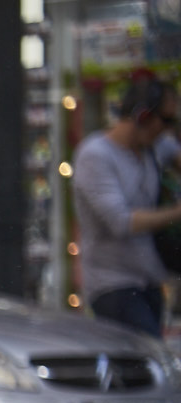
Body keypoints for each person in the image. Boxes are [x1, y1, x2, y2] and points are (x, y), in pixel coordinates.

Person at [74, 77, 181, 337]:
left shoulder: (154, 147)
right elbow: (121, 222)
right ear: (143, 116)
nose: (166, 130)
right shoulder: (95, 155)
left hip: (149, 278)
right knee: (144, 357)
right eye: (165, 121)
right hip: (113, 284)